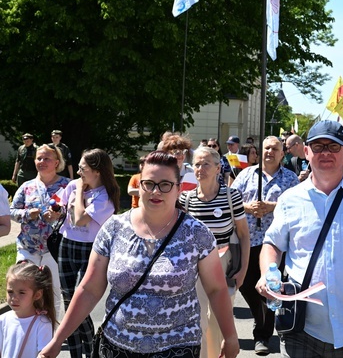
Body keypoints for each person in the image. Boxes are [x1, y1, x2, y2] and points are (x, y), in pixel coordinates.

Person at [39, 151, 239, 358]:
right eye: (149, 184)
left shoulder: (197, 233)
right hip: (117, 346)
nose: (156, 191)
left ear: (178, 189)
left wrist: (230, 336)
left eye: (165, 185)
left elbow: (216, 289)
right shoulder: (114, 228)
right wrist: (57, 340)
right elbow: (89, 290)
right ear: (139, 186)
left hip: (178, 347)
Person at [256, 120, 343, 357]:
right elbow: (272, 244)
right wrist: (269, 273)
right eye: (318, 147)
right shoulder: (290, 199)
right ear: (307, 152)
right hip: (299, 327)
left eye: (333, 147)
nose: (325, 153)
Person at [180, 146, 250, 358]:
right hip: (195, 264)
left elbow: (244, 235)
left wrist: (243, 271)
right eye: (197, 164)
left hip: (224, 263)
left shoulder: (232, 196)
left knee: (219, 318)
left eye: (206, 164)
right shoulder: (186, 199)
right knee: (198, 317)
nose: (200, 168)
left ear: (218, 168)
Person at [233, 136, 297, 355]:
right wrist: (247, 207)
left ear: (282, 153)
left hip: (274, 244)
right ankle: (262, 317)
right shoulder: (246, 174)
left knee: (269, 287)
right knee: (247, 285)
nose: (270, 152)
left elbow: (297, 206)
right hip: (247, 240)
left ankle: (262, 335)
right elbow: (231, 200)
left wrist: (273, 207)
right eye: (266, 148)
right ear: (260, 152)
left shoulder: (290, 178)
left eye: (275, 149)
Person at [56, 149, 119, 358]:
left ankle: (92, 350)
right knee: (68, 303)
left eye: (83, 169)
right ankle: (76, 353)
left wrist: (81, 191)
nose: (79, 173)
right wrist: (54, 211)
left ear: (97, 171)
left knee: (79, 305)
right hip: (67, 245)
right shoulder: (72, 186)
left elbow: (81, 219)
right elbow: (62, 207)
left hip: (91, 250)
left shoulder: (105, 196)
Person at [10, 144, 69, 317]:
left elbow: (77, 213)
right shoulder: (27, 186)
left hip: (55, 249)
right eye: (39, 158)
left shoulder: (67, 185)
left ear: (57, 162)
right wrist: (29, 214)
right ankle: (27, 329)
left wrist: (60, 215)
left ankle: (52, 332)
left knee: (54, 292)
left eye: (47, 159)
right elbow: (12, 212)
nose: (42, 161)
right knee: (23, 290)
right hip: (28, 248)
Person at [0, 261, 56, 358]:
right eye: (10, 291)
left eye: (21, 292)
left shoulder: (42, 323)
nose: (14, 297)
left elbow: (45, 353)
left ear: (37, 295)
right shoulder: (2, 319)